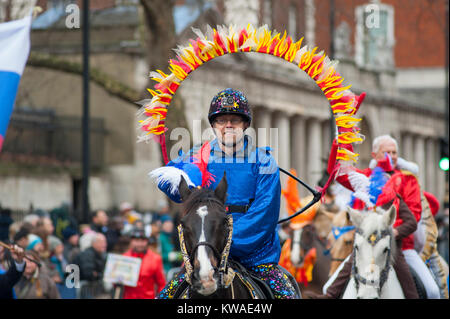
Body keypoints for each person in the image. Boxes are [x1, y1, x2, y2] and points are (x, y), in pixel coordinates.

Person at [153, 88, 298, 299]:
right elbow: (170, 185)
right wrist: (179, 174)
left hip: (255, 256)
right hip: (206, 251)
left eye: (235, 120)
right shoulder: (197, 155)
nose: (228, 125)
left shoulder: (264, 162)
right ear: (213, 125)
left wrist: (223, 242)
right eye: (222, 120)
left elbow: (264, 215)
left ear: (245, 125)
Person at [320, 134, 440, 299]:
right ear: (374, 155)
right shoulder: (365, 177)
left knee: (432, 291)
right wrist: (339, 142)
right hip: (366, 244)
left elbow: (415, 214)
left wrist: (390, 231)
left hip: (401, 245)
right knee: (328, 289)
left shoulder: (408, 180)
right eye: (386, 152)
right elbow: (337, 172)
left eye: (394, 152)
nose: (391, 156)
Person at [121, 228, 166, 299]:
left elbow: (161, 284)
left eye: (142, 241)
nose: (139, 244)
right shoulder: (124, 258)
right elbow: (116, 282)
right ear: (131, 241)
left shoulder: (155, 259)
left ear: (147, 241)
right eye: (136, 240)